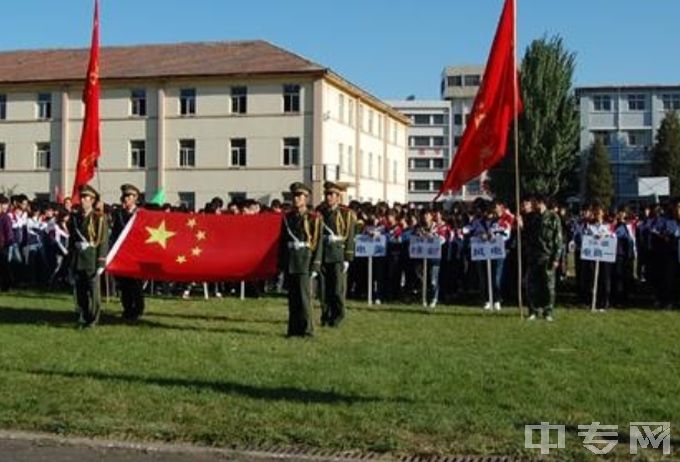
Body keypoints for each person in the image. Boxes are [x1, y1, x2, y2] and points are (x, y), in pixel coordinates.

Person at [278, 182, 322, 337]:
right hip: (291, 260)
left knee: (304, 298)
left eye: (299, 196)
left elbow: (317, 243)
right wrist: (282, 264)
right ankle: (293, 330)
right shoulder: (287, 218)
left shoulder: (313, 218)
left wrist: (315, 265)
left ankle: (307, 330)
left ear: (306, 198)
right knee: (292, 299)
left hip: (304, 260)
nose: (296, 199)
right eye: (294, 196)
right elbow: (283, 242)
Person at [68, 185, 109, 328]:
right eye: (82, 197)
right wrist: (71, 257)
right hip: (78, 258)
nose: (82, 200)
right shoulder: (75, 217)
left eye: (86, 198)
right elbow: (72, 239)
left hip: (92, 259)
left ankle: (93, 319)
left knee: (94, 292)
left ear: (92, 200)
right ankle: (84, 316)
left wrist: (101, 262)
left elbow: (102, 241)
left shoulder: (99, 218)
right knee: (81, 292)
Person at [317, 181, 356, 327]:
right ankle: (325, 314)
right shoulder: (320, 212)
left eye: (331, 194)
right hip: (323, 253)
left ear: (338, 197)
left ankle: (338, 315)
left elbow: (350, 236)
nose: (328, 197)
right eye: (327, 194)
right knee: (323, 289)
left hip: (338, 254)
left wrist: (348, 257)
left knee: (337, 289)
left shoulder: (346, 214)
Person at [525, 194, 563, 321]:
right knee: (532, 285)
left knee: (548, 286)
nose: (533, 204)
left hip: (547, 256)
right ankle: (533, 311)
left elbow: (558, 239)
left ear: (542, 203)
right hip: (533, 256)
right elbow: (528, 235)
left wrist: (556, 258)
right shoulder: (532, 217)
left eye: (535, 202)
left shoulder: (553, 217)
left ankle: (548, 311)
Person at [111, 184, 145, 321]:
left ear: (135, 198)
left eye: (129, 196)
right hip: (123, 254)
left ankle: (137, 309)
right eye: (124, 196)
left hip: (136, 254)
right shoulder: (119, 214)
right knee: (124, 284)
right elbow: (115, 234)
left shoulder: (141, 214)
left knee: (135, 284)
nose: (126, 199)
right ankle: (127, 309)